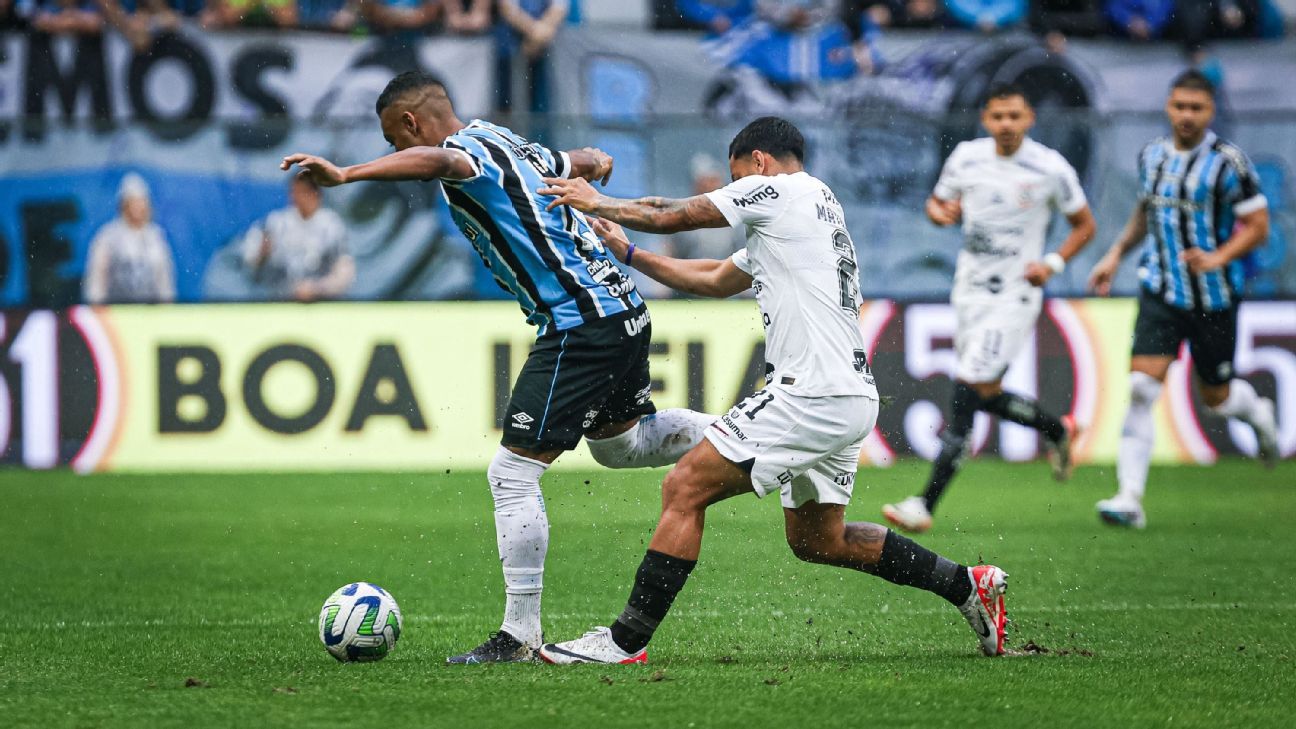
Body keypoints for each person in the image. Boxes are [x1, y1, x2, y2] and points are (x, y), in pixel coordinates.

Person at [535, 117, 1009, 665]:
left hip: (810, 392)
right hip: (848, 394)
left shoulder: (782, 190)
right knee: (818, 540)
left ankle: (625, 641)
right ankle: (966, 585)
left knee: (685, 487)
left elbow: (678, 213)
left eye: (735, 179)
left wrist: (598, 202)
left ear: (758, 162)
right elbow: (714, 279)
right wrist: (630, 253)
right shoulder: (804, 215)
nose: (733, 192)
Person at [281, 71, 715, 663]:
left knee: (511, 474)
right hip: (621, 308)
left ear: (411, 123)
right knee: (621, 446)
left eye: (394, 139)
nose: (396, 151)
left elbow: (440, 163)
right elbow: (577, 158)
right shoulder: (507, 139)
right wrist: (595, 160)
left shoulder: (464, 154)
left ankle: (518, 636)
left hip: (580, 321)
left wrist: (348, 173)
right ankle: (748, 437)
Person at [881, 84, 1096, 534]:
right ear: (985, 118)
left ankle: (924, 503)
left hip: (1015, 295)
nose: (1006, 125)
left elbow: (1085, 225)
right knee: (984, 392)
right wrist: (940, 213)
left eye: (1014, 116)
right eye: (998, 116)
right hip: (970, 291)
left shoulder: (1050, 168)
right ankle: (1056, 429)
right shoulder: (966, 157)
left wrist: (1052, 263)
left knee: (968, 389)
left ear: (1029, 118)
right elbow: (937, 203)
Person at [1087, 69, 1278, 529]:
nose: (1187, 116)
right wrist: (1114, 254)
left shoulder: (1229, 163)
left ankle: (1258, 413)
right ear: (1168, 107)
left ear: (1211, 112)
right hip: (1162, 290)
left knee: (1217, 398)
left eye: (1197, 108)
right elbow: (1145, 212)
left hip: (1213, 298)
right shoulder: (1151, 155)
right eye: (1179, 106)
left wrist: (1218, 257)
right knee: (1140, 388)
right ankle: (1129, 498)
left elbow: (1258, 227)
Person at [241, 172, 354, 302]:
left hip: (322, 303)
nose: (295, 197)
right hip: (279, 302)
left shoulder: (332, 226)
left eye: (301, 192)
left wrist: (317, 288)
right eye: (293, 192)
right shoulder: (275, 223)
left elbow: (345, 272)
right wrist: (262, 254)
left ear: (315, 193)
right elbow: (250, 264)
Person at [83, 173, 176, 305]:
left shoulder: (156, 237)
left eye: (142, 201)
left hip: (150, 314)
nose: (139, 207)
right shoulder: (108, 237)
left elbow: (165, 282)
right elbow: (96, 282)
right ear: (124, 204)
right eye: (134, 202)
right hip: (116, 312)